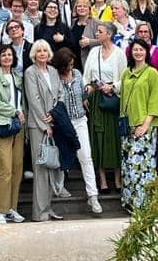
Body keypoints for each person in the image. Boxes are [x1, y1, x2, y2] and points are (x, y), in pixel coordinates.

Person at [53, 47, 103, 214]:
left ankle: (93, 195)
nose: (70, 67)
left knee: (86, 157)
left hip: (80, 120)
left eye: (72, 64)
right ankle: (59, 188)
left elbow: (82, 94)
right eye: (67, 65)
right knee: (62, 157)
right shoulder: (54, 77)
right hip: (63, 123)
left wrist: (87, 92)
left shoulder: (78, 74)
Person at [120, 38, 158, 211]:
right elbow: (123, 98)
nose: (138, 52)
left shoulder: (151, 73)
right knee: (129, 166)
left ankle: (144, 204)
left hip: (144, 126)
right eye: (135, 49)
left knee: (143, 167)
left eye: (141, 49)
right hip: (128, 127)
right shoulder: (126, 73)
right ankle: (130, 201)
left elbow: (156, 100)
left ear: (147, 52)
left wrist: (146, 124)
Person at [82, 21, 126, 193]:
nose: (97, 34)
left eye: (100, 31)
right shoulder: (94, 52)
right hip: (96, 99)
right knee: (97, 136)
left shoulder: (119, 53)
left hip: (112, 98)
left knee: (113, 137)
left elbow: (124, 78)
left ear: (109, 34)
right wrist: (88, 88)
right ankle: (102, 180)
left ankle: (117, 178)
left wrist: (113, 87)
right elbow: (86, 76)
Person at [0, 43, 26, 225]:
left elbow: (22, 100)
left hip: (18, 126)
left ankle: (12, 208)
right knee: (5, 169)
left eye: (9, 55)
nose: (7, 58)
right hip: (2, 125)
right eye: (3, 55)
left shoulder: (17, 76)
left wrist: (21, 113)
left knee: (17, 169)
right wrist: (14, 111)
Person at [24, 40, 65, 221]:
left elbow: (60, 94)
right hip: (38, 125)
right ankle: (39, 212)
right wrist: (45, 123)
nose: (42, 53)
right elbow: (33, 99)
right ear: (34, 54)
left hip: (54, 123)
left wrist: (55, 115)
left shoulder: (54, 71)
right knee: (41, 169)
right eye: (38, 51)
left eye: (45, 51)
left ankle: (49, 208)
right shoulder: (30, 72)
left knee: (52, 167)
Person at [70, 0, 101, 71]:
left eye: (85, 6)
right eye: (79, 6)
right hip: (74, 61)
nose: (82, 8)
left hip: (89, 61)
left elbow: (105, 40)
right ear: (75, 8)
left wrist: (90, 42)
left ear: (89, 9)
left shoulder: (96, 23)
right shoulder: (73, 23)